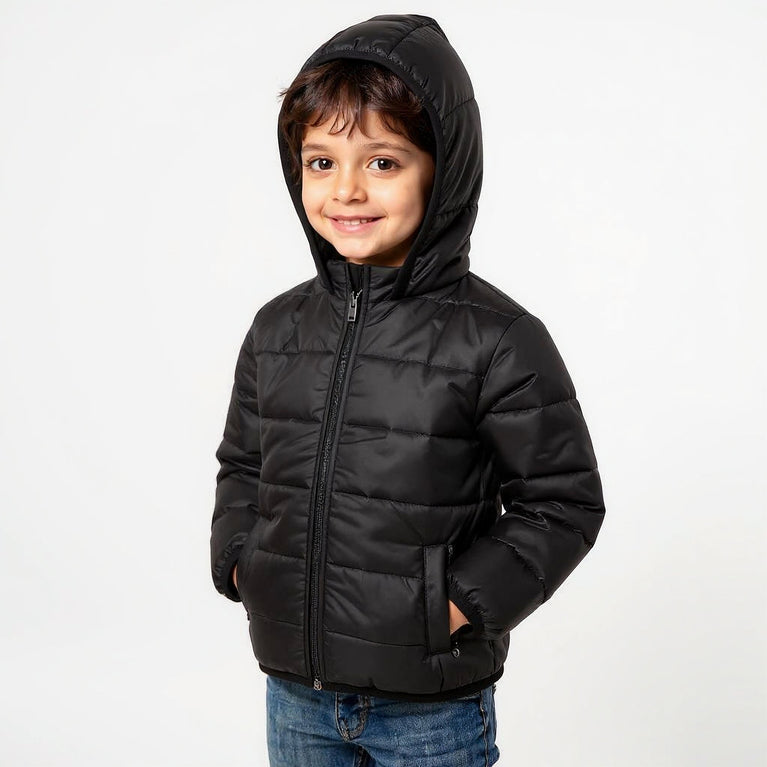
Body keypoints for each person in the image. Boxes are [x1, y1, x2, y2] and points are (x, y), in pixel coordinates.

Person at [210, 13, 605, 767]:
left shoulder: (497, 338)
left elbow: (563, 502)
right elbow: (244, 464)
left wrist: (453, 606)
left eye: (383, 161)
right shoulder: (277, 328)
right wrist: (240, 560)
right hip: (294, 694)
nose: (346, 189)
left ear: (441, 170)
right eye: (320, 161)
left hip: (431, 710)